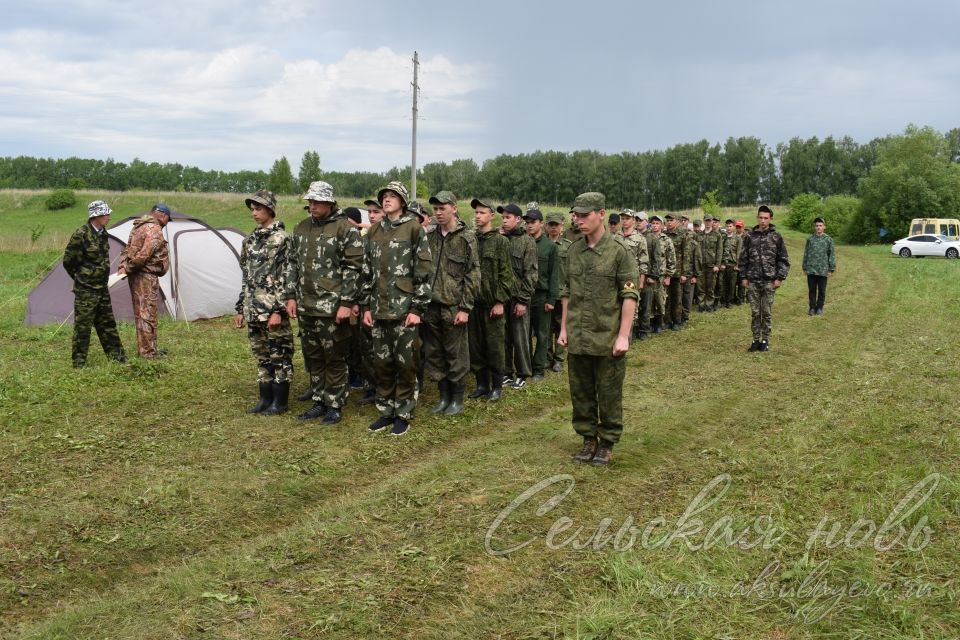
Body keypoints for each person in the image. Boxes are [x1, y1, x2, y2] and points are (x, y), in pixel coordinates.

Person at [558, 192, 639, 466]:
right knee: (580, 391)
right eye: (575, 215)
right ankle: (588, 438)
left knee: (608, 393)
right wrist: (564, 328)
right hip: (579, 334)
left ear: (601, 214)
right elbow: (567, 291)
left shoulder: (619, 252)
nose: (577, 220)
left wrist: (623, 336)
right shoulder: (572, 250)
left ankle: (607, 442)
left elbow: (629, 296)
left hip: (607, 336)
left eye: (584, 215)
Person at [284, 181, 364, 424]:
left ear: (329, 202)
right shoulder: (301, 227)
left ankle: (335, 404)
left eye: (317, 201)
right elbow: (292, 264)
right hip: (307, 307)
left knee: (335, 357)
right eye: (310, 201)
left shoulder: (344, 229)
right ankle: (319, 400)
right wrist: (290, 296)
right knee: (314, 356)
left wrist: (346, 303)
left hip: (332, 308)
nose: (312, 205)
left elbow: (354, 268)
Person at [361, 181, 433, 436]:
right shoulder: (374, 232)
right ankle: (386, 411)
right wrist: (366, 307)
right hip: (379, 309)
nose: (387, 200)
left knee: (406, 364)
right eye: (385, 196)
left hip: (404, 310)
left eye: (393, 196)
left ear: (402, 202)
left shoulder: (414, 229)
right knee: (382, 363)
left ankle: (403, 413)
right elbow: (366, 272)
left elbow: (424, 273)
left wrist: (417, 308)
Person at [234, 189, 293, 415]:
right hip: (253, 309)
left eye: (258, 208)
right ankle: (265, 399)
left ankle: (281, 402)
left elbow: (288, 277)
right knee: (262, 355)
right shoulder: (249, 241)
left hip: (273, 310)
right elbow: (246, 277)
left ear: (270, 209)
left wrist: (279, 310)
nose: (254, 213)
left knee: (279, 354)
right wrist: (241, 307)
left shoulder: (283, 239)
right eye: (252, 209)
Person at [423, 191, 480, 416]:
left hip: (454, 306)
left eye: (442, 208)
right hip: (431, 306)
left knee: (456, 354)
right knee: (435, 353)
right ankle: (443, 396)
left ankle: (456, 398)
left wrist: (465, 307)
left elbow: (473, 274)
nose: (438, 212)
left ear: (454, 208)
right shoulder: (429, 236)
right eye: (435, 209)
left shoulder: (466, 238)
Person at [63, 200, 127, 368]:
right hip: (86, 290)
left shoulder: (103, 233)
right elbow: (68, 261)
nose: (109, 217)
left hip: (102, 289)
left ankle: (118, 358)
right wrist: (80, 279)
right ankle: (79, 363)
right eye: (106, 214)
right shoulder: (81, 234)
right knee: (83, 327)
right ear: (96, 216)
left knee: (108, 324)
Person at [467, 198, 515, 400]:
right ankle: (481, 384)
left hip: (491, 304)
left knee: (495, 347)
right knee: (476, 347)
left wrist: (500, 302)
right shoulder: (471, 240)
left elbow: (507, 275)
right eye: (476, 213)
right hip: (473, 303)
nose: (478, 216)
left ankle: (496, 386)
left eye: (482, 213)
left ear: (491, 216)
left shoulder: (501, 242)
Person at [117, 203, 170, 359]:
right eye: (168, 219)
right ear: (162, 215)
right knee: (147, 314)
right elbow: (145, 254)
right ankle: (148, 354)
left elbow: (127, 250)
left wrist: (124, 266)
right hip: (146, 277)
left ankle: (147, 350)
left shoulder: (138, 227)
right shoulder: (154, 229)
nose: (167, 223)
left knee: (141, 313)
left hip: (137, 275)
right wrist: (128, 267)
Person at [739, 205, 790, 352]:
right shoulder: (749, 236)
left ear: (770, 219)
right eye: (760, 217)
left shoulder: (776, 236)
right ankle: (755, 340)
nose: (763, 220)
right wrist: (743, 277)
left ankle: (765, 340)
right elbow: (743, 258)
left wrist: (780, 278)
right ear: (757, 218)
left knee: (766, 311)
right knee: (755, 312)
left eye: (765, 218)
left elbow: (783, 259)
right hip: (753, 281)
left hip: (769, 281)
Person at [498, 203, 538, 389]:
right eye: (503, 217)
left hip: (518, 297)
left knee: (520, 337)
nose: (504, 221)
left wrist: (523, 300)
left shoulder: (527, 241)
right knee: (504, 336)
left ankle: (523, 373)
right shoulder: (501, 239)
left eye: (508, 217)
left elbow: (531, 273)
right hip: (502, 296)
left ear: (518, 219)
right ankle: (507, 372)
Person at [525, 208, 560, 381]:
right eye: (527, 222)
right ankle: (525, 367)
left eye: (533, 222)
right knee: (523, 334)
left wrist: (551, 299)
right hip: (523, 296)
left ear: (541, 224)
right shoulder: (522, 242)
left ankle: (538, 368)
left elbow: (555, 275)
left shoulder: (550, 247)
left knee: (542, 334)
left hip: (541, 296)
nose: (529, 225)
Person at [544, 212, 571, 372]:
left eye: (557, 225)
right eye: (551, 224)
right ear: (547, 226)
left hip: (562, 293)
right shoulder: (541, 244)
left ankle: (559, 358)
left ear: (562, 226)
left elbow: (572, 270)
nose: (554, 228)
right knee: (546, 327)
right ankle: (547, 357)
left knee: (562, 325)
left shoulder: (568, 246)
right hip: (546, 292)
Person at [802, 217, 836, 316]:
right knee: (812, 290)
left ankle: (820, 308)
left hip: (823, 269)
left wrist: (831, 269)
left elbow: (832, 254)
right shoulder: (810, 239)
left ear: (824, 227)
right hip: (811, 269)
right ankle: (812, 308)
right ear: (814, 227)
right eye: (817, 226)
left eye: (820, 225)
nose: (818, 227)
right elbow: (806, 253)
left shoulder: (828, 240)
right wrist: (804, 267)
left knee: (822, 290)